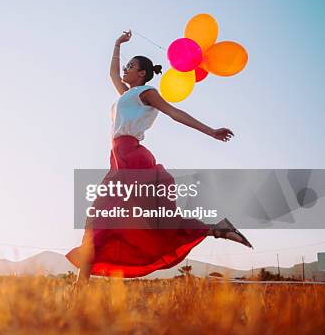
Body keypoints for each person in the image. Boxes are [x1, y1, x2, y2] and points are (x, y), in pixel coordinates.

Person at [66, 29, 253, 285]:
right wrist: (117, 45)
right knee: (115, 220)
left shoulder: (146, 93)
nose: (125, 69)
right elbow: (112, 73)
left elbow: (174, 113)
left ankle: (79, 288)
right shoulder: (126, 94)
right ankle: (216, 228)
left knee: (107, 218)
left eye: (131, 66)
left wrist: (210, 131)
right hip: (119, 159)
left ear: (141, 73)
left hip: (132, 158)